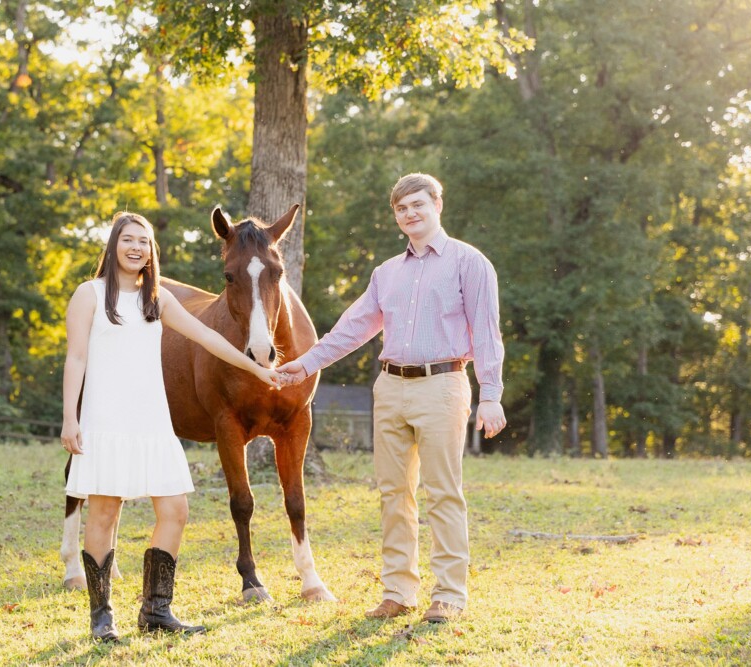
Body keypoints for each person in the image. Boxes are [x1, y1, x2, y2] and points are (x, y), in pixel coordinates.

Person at [277, 173, 506, 623]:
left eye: (418, 204)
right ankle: (398, 590)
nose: (410, 214)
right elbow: (353, 328)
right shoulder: (387, 272)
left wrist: (491, 395)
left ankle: (449, 595)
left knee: (443, 492)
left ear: (438, 204)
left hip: (443, 384)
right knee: (393, 493)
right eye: (402, 209)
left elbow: (487, 331)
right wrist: (305, 364)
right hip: (391, 387)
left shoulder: (469, 262)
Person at [60, 211, 280, 642]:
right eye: (128, 239)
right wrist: (71, 417)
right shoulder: (88, 295)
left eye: (144, 241)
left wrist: (256, 368)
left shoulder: (156, 297)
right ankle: (102, 616)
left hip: (154, 420)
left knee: (175, 509)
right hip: (105, 418)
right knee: (105, 511)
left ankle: (156, 610)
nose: (136, 247)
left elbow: (207, 337)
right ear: (113, 245)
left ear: (151, 251)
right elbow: (77, 359)